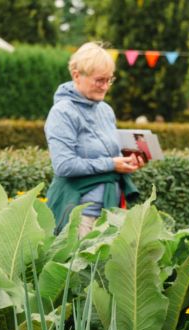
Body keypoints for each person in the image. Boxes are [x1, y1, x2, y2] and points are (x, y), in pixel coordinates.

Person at [44, 42, 144, 237]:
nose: (105, 86)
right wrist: (112, 164)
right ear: (76, 76)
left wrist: (128, 161)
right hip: (79, 215)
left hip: (112, 212)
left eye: (109, 80)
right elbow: (64, 165)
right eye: (99, 80)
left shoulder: (106, 110)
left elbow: (110, 156)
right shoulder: (62, 112)